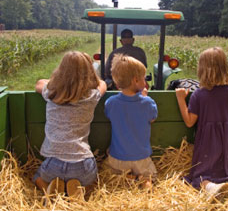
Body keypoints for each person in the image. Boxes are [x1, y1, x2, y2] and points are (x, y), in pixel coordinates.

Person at [175, 47, 228, 199]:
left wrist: (181, 99)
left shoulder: (199, 95)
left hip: (209, 144)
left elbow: (189, 122)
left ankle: (213, 188)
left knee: (201, 175)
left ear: (202, 70)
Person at [33, 51, 107, 199]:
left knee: (36, 178)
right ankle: (79, 191)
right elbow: (102, 84)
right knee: (93, 183)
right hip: (83, 165)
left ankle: (49, 189)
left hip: (53, 164)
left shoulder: (51, 93)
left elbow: (39, 83)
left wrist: (61, 81)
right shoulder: (92, 96)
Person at [104, 54, 157, 188]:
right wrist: (144, 97)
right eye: (144, 79)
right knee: (149, 175)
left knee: (108, 170)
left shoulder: (110, 103)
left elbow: (109, 115)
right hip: (141, 158)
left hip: (118, 158)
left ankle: (129, 178)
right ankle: (145, 181)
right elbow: (152, 119)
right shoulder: (148, 103)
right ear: (135, 80)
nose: (145, 82)